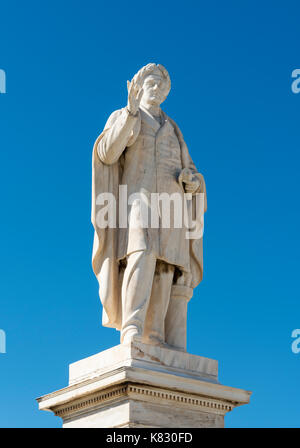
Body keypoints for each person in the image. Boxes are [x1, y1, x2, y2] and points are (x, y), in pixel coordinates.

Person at [91, 63, 207, 350]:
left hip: (172, 204)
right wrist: (129, 113)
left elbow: (190, 169)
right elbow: (106, 154)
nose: (156, 90)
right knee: (140, 254)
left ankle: (154, 335)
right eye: (151, 84)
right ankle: (132, 327)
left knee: (167, 265)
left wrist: (192, 182)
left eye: (161, 86)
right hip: (137, 199)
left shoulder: (173, 128)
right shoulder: (125, 116)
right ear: (139, 87)